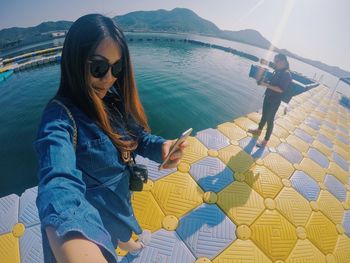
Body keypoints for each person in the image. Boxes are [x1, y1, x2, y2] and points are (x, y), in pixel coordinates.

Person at [33, 14, 188, 263]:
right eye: (98, 68)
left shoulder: (113, 99)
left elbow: (139, 138)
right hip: (93, 209)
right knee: (114, 228)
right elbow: (57, 181)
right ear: (74, 62)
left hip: (119, 195)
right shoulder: (59, 118)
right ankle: (129, 245)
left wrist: (163, 147)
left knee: (123, 226)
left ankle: (128, 244)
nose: (109, 78)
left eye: (117, 67)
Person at [248, 53, 292, 147]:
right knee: (264, 116)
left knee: (270, 120)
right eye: (274, 61)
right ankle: (258, 131)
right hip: (268, 97)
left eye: (277, 61)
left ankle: (265, 141)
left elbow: (280, 89)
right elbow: (272, 83)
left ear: (283, 61)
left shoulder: (286, 74)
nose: (275, 63)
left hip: (275, 101)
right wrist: (264, 82)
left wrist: (266, 85)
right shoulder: (277, 71)